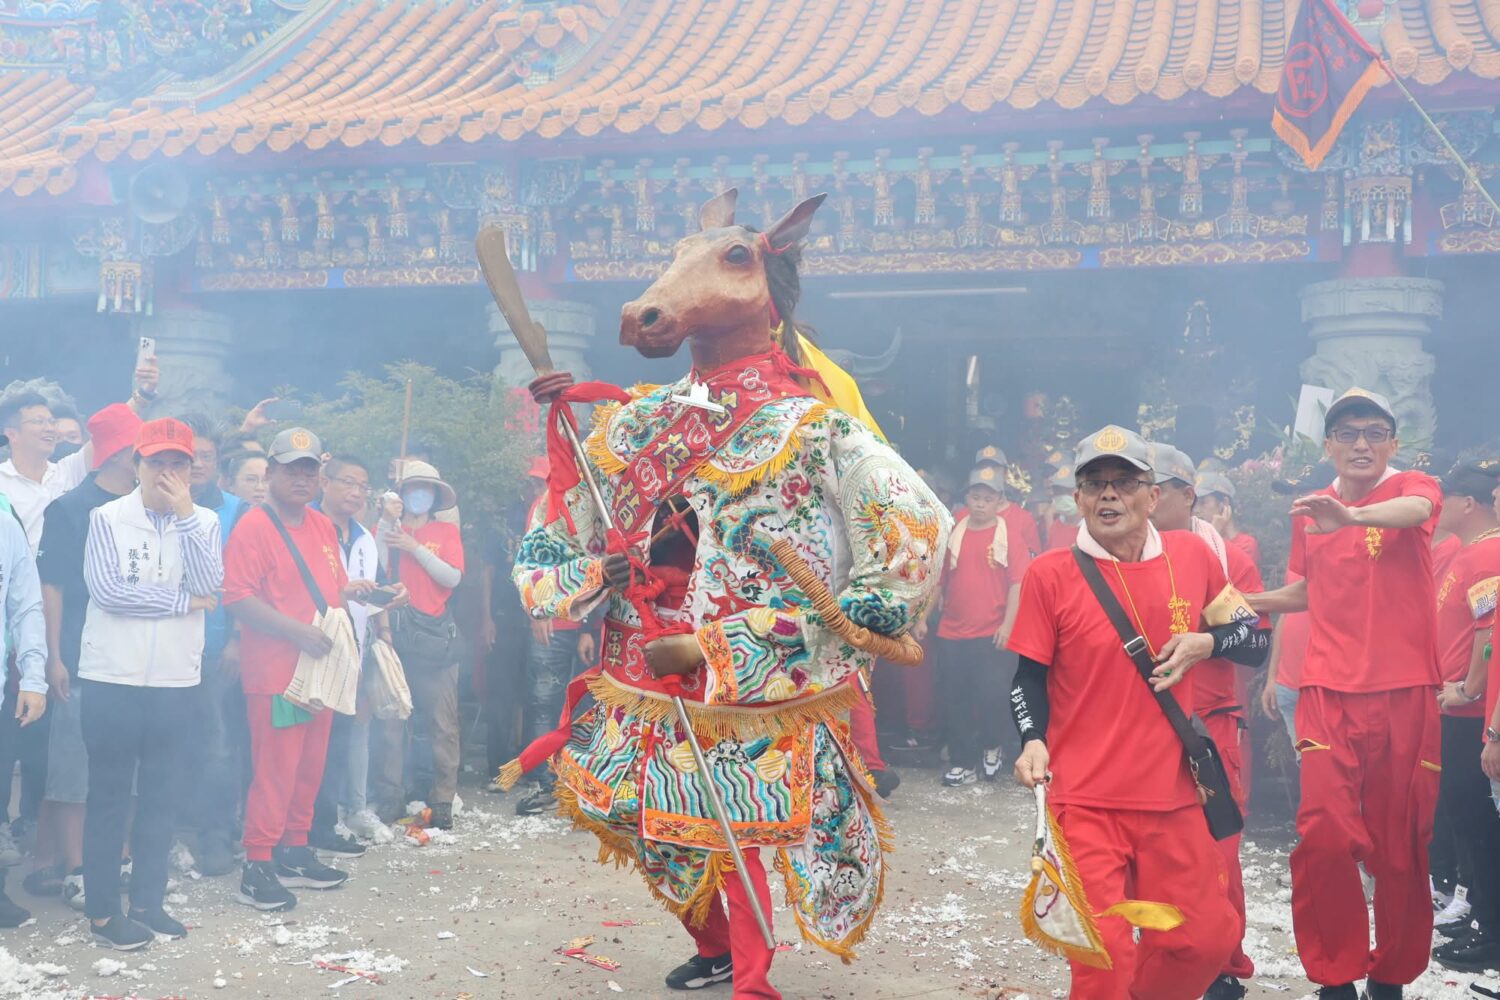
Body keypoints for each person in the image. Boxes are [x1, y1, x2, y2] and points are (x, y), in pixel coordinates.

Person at [510, 189, 950, 998]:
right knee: (656, 823)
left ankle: (752, 974)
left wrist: (759, 641)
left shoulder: (813, 428)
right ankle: (713, 946)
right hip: (640, 670)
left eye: (725, 261)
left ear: (763, 282)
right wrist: (590, 568)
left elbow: (913, 532)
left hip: (747, 683)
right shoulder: (634, 424)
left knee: (736, 823)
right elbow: (555, 531)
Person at [1008, 424, 1259, 999]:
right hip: (1086, 799)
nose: (1108, 495)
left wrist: (1207, 643)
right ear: (1077, 499)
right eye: (1094, 484)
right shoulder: (1050, 573)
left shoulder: (1194, 555)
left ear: (1155, 496)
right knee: (1104, 958)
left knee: (1204, 940)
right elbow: (1028, 676)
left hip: (1173, 797)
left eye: (1125, 482)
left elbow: (1253, 639)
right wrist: (1032, 739)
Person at [1248, 389, 1443, 1000]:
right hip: (1327, 690)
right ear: (1328, 443)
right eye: (1348, 432)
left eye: (1375, 432)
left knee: (1400, 840)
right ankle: (1336, 975)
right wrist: (1248, 603)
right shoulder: (1312, 509)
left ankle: (1390, 976)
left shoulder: (1414, 486)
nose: (1362, 443)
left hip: (1404, 689)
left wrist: (1352, 517)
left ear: (1392, 442)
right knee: (1324, 833)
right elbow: (1309, 590)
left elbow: (1414, 511)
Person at [78, 418, 222, 949]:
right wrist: (184, 603)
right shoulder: (106, 517)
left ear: (193, 470)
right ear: (136, 465)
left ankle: (148, 902)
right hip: (111, 677)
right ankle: (101, 913)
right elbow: (109, 592)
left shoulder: (203, 521)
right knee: (110, 796)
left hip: (176, 679)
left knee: (163, 794)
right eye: (157, 462)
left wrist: (185, 517)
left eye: (178, 463)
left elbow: (213, 584)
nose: (167, 473)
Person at [223, 428, 375, 911]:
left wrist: (359, 590)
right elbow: (237, 598)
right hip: (279, 674)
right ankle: (258, 863)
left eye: (309, 469)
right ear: (269, 473)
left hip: (321, 669)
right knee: (276, 769)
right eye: (291, 469)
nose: (302, 478)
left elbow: (326, 588)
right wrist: (295, 632)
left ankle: (294, 848)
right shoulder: (254, 525)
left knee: (310, 766)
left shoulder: (320, 524)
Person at [1146, 442, 1270, 1000]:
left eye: (1153, 487)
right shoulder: (1117, 554)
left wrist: (1205, 638)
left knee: (1215, 848)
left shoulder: (1221, 558)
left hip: (1210, 724)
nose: (1139, 498)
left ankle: (1224, 966)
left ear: (1185, 494)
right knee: (1150, 850)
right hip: (1140, 729)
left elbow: (1253, 644)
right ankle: (1158, 956)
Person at [26, 404, 141, 904]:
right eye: (140, 450)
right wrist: (53, 655)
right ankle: (75, 866)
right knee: (75, 770)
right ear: (116, 452)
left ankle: (119, 854)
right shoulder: (70, 508)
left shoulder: (148, 508)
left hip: (135, 657)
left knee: (128, 765)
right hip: (78, 653)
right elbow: (51, 587)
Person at [1427, 462, 1500, 970]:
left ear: (1467, 503)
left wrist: (1470, 688)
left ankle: (1493, 936)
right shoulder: (1467, 553)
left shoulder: (1488, 553)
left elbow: (1489, 631)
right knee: (1465, 821)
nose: (1438, 507)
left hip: (1472, 714)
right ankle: (1483, 923)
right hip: (1459, 711)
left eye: (1445, 497)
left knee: (1476, 824)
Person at [924, 464, 1033, 786]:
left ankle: (992, 745)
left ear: (999, 500)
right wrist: (920, 619)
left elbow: (1018, 585)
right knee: (955, 697)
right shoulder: (953, 533)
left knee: (993, 696)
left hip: (992, 631)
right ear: (967, 498)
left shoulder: (1009, 537)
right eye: (975, 496)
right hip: (952, 631)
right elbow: (938, 582)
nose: (981, 503)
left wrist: (1009, 625)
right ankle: (962, 762)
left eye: (988, 497)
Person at [311, 455, 396, 846]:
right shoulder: (306, 527)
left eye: (362, 486)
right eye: (347, 482)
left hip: (351, 654)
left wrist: (392, 599)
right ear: (324, 482)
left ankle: (324, 824)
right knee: (305, 742)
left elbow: (372, 591)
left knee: (338, 739)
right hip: (308, 648)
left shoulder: (363, 537)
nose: (356, 492)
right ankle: (297, 828)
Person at [377, 461, 463, 830]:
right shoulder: (386, 529)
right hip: (393, 635)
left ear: (434, 494)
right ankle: (390, 797)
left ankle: (442, 798)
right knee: (392, 721)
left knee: (442, 722)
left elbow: (453, 576)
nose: (419, 495)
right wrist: (385, 525)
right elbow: (375, 571)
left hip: (434, 637)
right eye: (413, 488)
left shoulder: (446, 530)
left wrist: (414, 547)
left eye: (426, 488)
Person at [1195, 472, 1260, 570]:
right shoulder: (1197, 537)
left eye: (1202, 502)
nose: (1196, 510)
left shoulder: (1246, 545)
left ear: (1224, 502)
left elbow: (1221, 578)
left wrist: (1213, 535)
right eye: (1194, 504)